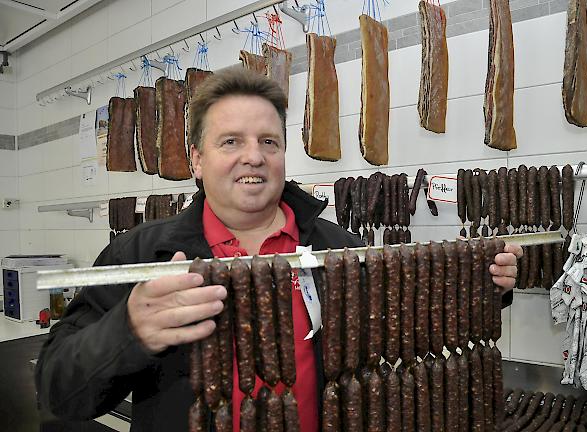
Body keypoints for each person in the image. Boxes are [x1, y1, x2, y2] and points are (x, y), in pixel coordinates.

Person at [35, 68, 522, 431]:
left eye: (269, 141)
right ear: (198, 161)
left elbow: (409, 326)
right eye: (231, 141)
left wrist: (482, 284)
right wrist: (130, 330)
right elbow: (59, 390)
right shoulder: (138, 255)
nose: (254, 156)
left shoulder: (340, 250)